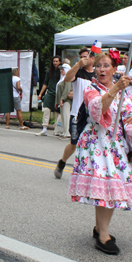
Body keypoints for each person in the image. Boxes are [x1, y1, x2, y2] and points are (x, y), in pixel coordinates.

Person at [68, 50, 132, 255]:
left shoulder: (125, 90)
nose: (101, 69)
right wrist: (114, 88)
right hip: (96, 143)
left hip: (116, 145)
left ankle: (99, 229)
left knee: (110, 188)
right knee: (108, 187)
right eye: (98, 66)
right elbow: (97, 111)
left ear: (114, 68)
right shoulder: (91, 88)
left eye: (106, 65)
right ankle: (103, 234)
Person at [54, 47, 96, 179]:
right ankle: (62, 162)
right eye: (81, 57)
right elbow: (67, 78)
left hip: (93, 116)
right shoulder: (78, 73)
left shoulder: (97, 75)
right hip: (77, 114)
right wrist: (77, 64)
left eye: (86, 56)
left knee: (92, 145)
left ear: (93, 58)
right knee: (74, 143)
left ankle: (87, 172)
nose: (83, 59)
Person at [36, 55, 62, 136]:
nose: (55, 63)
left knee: (57, 112)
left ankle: (57, 129)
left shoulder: (61, 71)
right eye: (54, 61)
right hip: (49, 93)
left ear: (60, 62)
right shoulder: (49, 71)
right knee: (46, 109)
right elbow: (45, 83)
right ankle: (44, 129)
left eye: (57, 61)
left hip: (58, 94)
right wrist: (40, 94)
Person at [55, 63, 72, 139]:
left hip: (66, 101)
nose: (61, 70)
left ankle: (67, 133)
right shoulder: (62, 78)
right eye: (61, 69)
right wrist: (57, 102)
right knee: (63, 116)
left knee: (66, 116)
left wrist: (62, 99)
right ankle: (64, 132)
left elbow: (67, 90)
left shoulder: (67, 79)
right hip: (63, 101)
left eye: (63, 69)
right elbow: (58, 91)